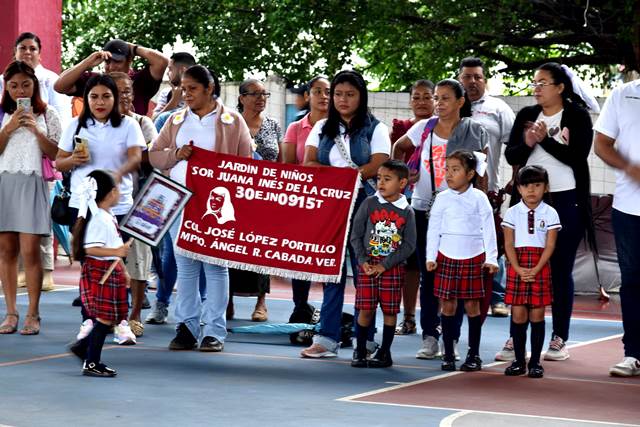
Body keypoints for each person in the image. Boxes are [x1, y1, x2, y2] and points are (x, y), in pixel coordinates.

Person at [149, 65, 252, 352]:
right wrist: (176, 154)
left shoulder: (233, 121)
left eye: (192, 88)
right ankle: (187, 327)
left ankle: (214, 332)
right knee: (186, 267)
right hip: (180, 202)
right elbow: (154, 155)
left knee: (216, 267)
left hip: (217, 206)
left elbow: (247, 162)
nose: (186, 93)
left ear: (209, 88)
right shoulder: (175, 120)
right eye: (183, 87)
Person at [501, 62, 595, 362]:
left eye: (543, 82)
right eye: (534, 82)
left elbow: (577, 155)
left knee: (559, 268)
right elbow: (512, 154)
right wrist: (528, 142)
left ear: (560, 87)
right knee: (524, 263)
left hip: (567, 200)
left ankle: (559, 337)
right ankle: (516, 337)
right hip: (528, 202)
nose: (537, 88)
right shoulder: (527, 115)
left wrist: (546, 141)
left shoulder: (577, 115)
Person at [392, 79, 488, 360]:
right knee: (429, 274)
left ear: (460, 102)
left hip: (459, 215)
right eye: (437, 98)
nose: (439, 103)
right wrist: (404, 174)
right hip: (424, 208)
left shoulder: (473, 130)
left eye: (445, 98)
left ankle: (452, 337)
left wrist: (479, 209)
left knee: (456, 278)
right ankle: (430, 335)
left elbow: (481, 172)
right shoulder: (425, 127)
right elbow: (399, 147)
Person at [301, 69, 391, 358]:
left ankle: (366, 338)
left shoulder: (376, 128)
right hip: (330, 210)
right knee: (331, 272)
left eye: (350, 94)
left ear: (361, 97)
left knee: (367, 272)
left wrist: (345, 179)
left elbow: (379, 162)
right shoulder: (322, 127)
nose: (342, 99)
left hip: (367, 208)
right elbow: (309, 161)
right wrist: (337, 181)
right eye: (338, 94)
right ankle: (327, 337)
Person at [56, 73, 145, 345]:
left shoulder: (129, 125)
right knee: (90, 267)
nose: (100, 102)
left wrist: (117, 175)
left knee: (117, 267)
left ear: (115, 98)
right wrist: (73, 159)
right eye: (94, 96)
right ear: (86, 100)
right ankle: (89, 319)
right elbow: (59, 163)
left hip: (119, 204)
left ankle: (120, 322)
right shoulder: (75, 126)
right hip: (82, 207)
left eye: (106, 96)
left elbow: (136, 158)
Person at [6, 32, 72, 292]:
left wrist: (37, 130)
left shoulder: (51, 82)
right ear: (15, 51)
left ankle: (45, 270)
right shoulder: (4, 81)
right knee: (13, 222)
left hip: (40, 168)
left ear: (39, 51)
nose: (28, 52)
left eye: (32, 48)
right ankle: (21, 269)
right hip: (10, 168)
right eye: (23, 48)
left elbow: (61, 129)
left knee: (41, 221)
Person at [0, 61, 60, 335]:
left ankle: (33, 313)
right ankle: (11, 312)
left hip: (33, 183)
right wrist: (9, 127)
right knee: (6, 251)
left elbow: (57, 153)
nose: (19, 90)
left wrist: (35, 129)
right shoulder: (2, 113)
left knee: (30, 250)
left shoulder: (48, 114)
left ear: (35, 84)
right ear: (6, 87)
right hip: (4, 183)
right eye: (13, 85)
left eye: (25, 84)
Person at [426, 150, 498, 371]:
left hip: (474, 256)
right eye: (447, 169)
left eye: (455, 170)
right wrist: (431, 255)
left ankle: (473, 355)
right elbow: (434, 228)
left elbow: (489, 228)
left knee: (472, 305)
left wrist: (491, 257)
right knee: (447, 306)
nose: (449, 174)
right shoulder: (442, 198)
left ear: (470, 174)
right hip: (446, 255)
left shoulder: (479, 198)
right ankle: (448, 354)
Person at [459, 57, 515, 317]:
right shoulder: (451, 105)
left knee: (492, 240)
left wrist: (514, 177)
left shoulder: (498, 108)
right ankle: (460, 293)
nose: (472, 82)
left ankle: (497, 296)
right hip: (452, 190)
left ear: (485, 80)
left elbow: (515, 147)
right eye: (467, 77)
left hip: (488, 188)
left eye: (477, 77)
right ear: (460, 79)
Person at [593, 78, 640, 377]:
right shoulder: (623, 94)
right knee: (633, 283)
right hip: (628, 207)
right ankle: (633, 353)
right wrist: (628, 168)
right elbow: (601, 145)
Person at [350, 160, 416, 368]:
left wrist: (385, 265)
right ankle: (360, 350)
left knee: (389, 311)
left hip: (392, 267)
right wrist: (363, 262)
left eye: (387, 179)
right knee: (366, 309)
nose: (381, 183)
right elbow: (355, 236)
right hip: (368, 265)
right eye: (379, 178)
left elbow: (409, 245)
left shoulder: (407, 211)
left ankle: (385, 352)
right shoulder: (369, 203)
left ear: (402, 182)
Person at [228, 78, 283, 322]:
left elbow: (281, 161)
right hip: (234, 197)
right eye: (255, 94)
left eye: (265, 94)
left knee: (261, 250)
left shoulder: (273, 125)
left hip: (265, 199)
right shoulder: (229, 123)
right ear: (242, 98)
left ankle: (261, 302)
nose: (261, 98)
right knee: (229, 249)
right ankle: (226, 301)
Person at [110, 71, 158, 337]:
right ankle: (107, 314)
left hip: (141, 203)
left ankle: (135, 315)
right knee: (106, 261)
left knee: (139, 262)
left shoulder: (143, 123)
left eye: (128, 90)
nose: (125, 96)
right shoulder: (98, 123)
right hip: (107, 204)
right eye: (119, 91)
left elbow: (148, 157)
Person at [69, 171, 130, 377]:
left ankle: (82, 347)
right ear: (112, 192)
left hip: (109, 270)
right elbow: (91, 249)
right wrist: (117, 252)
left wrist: (122, 268)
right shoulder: (99, 219)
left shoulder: (105, 216)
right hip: (101, 271)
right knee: (105, 318)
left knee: (110, 317)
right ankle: (92, 362)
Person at [502, 166, 560, 378]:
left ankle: (535, 362)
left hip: (540, 266)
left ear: (546, 188)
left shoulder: (550, 212)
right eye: (526, 185)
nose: (532, 190)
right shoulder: (512, 212)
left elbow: (550, 245)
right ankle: (519, 361)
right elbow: (508, 244)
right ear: (519, 188)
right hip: (518, 265)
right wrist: (517, 268)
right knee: (518, 314)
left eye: (537, 185)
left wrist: (536, 268)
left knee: (537, 314)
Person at [390, 79, 435, 336]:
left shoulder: (447, 126)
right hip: (409, 202)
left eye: (427, 97)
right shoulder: (404, 129)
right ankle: (407, 317)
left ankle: (436, 318)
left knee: (434, 263)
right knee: (409, 264)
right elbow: (394, 155)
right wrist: (402, 179)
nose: (421, 102)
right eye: (416, 97)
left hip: (438, 204)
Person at [282, 76, 330, 319]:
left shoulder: (341, 128)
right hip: (303, 201)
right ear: (308, 96)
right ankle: (300, 307)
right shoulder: (295, 127)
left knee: (329, 259)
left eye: (327, 91)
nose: (323, 96)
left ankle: (329, 310)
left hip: (333, 204)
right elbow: (288, 165)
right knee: (300, 257)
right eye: (318, 91)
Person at [54, 38, 168, 116]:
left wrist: (132, 48)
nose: (112, 67)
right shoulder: (95, 82)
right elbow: (59, 86)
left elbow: (162, 62)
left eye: (117, 61)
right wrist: (87, 63)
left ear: (129, 60)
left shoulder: (141, 80)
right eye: (107, 61)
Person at [151, 52, 196, 120]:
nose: (167, 73)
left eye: (170, 69)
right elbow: (154, 120)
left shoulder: (200, 94)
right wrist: (174, 101)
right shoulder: (166, 93)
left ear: (183, 71)